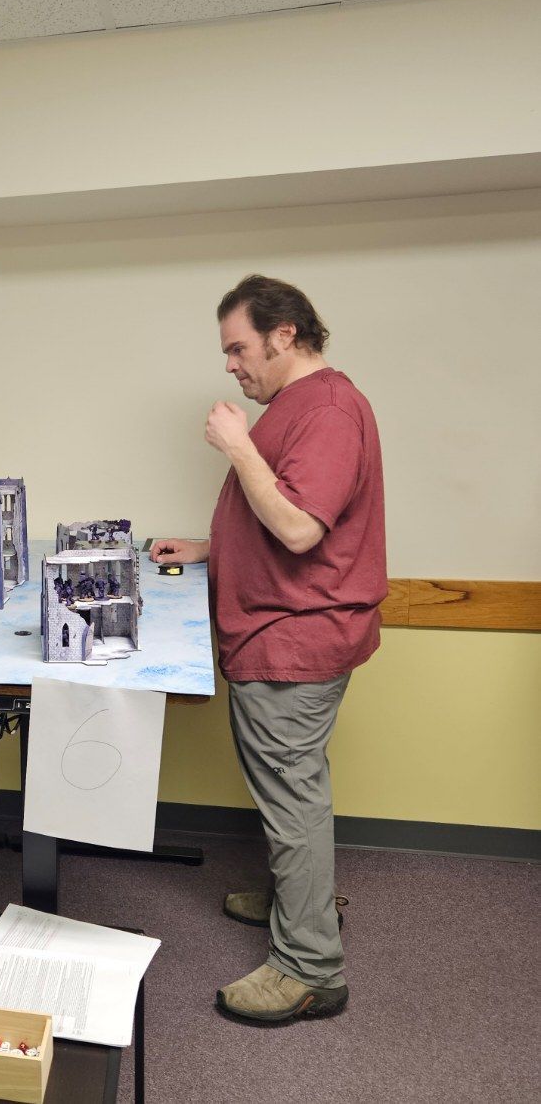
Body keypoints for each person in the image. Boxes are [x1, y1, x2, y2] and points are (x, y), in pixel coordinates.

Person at [151, 274, 385, 1023]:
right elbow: (269, 518)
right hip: (282, 629)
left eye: (237, 347)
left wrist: (234, 444)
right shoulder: (299, 407)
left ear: (285, 334)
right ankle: (298, 904)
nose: (230, 364)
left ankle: (309, 966)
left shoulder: (328, 409)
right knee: (293, 792)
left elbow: (297, 530)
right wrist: (208, 545)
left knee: (292, 804)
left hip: (292, 637)